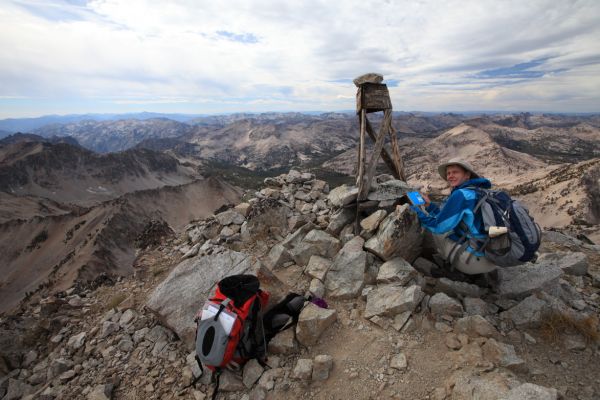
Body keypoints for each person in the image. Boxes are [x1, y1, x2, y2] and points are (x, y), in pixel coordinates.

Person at [412, 157, 498, 275]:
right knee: (448, 226)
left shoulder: (461, 195)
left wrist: (414, 210)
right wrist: (430, 206)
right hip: (493, 256)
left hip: (475, 262)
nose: (450, 176)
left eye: (455, 172)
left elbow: (439, 226)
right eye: (448, 173)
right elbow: (448, 217)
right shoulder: (479, 191)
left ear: (467, 175)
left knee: (439, 233)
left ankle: (449, 269)